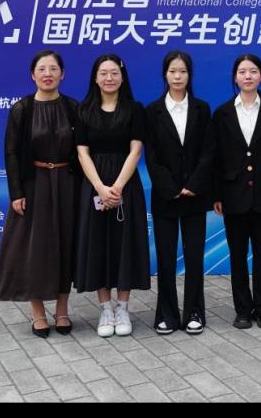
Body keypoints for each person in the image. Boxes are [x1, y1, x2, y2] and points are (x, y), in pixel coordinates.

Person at [0, 50, 80, 337]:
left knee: (65, 244)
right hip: (34, 184)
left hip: (67, 183)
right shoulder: (22, 109)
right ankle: (38, 313)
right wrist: (16, 192)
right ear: (33, 75)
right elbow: (11, 153)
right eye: (42, 69)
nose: (48, 74)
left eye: (53, 68)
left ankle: (62, 310)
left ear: (62, 74)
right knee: (34, 249)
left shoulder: (73, 107)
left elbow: (82, 151)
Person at [74, 54, 151, 338]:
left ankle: (123, 308)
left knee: (124, 244)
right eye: (103, 73)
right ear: (95, 78)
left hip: (125, 183)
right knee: (98, 243)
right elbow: (82, 153)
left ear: (122, 76)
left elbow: (136, 151)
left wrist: (116, 187)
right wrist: (100, 188)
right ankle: (105, 308)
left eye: (114, 73)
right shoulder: (84, 110)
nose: (109, 78)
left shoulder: (134, 109)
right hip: (94, 184)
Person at [211, 54, 261, 329]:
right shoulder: (222, 113)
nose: (247, 76)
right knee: (238, 255)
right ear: (235, 77)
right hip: (233, 194)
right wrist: (216, 195)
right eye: (242, 72)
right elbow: (216, 157)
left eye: (253, 71)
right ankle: (243, 309)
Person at [144, 51, 213, 335]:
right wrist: (170, 187)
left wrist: (193, 184)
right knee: (166, 257)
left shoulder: (202, 109)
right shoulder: (153, 111)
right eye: (173, 71)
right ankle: (167, 314)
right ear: (165, 74)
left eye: (182, 71)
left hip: (195, 195)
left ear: (189, 75)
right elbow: (151, 155)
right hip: (166, 197)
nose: (177, 76)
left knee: (194, 257)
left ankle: (195, 312)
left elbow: (208, 152)